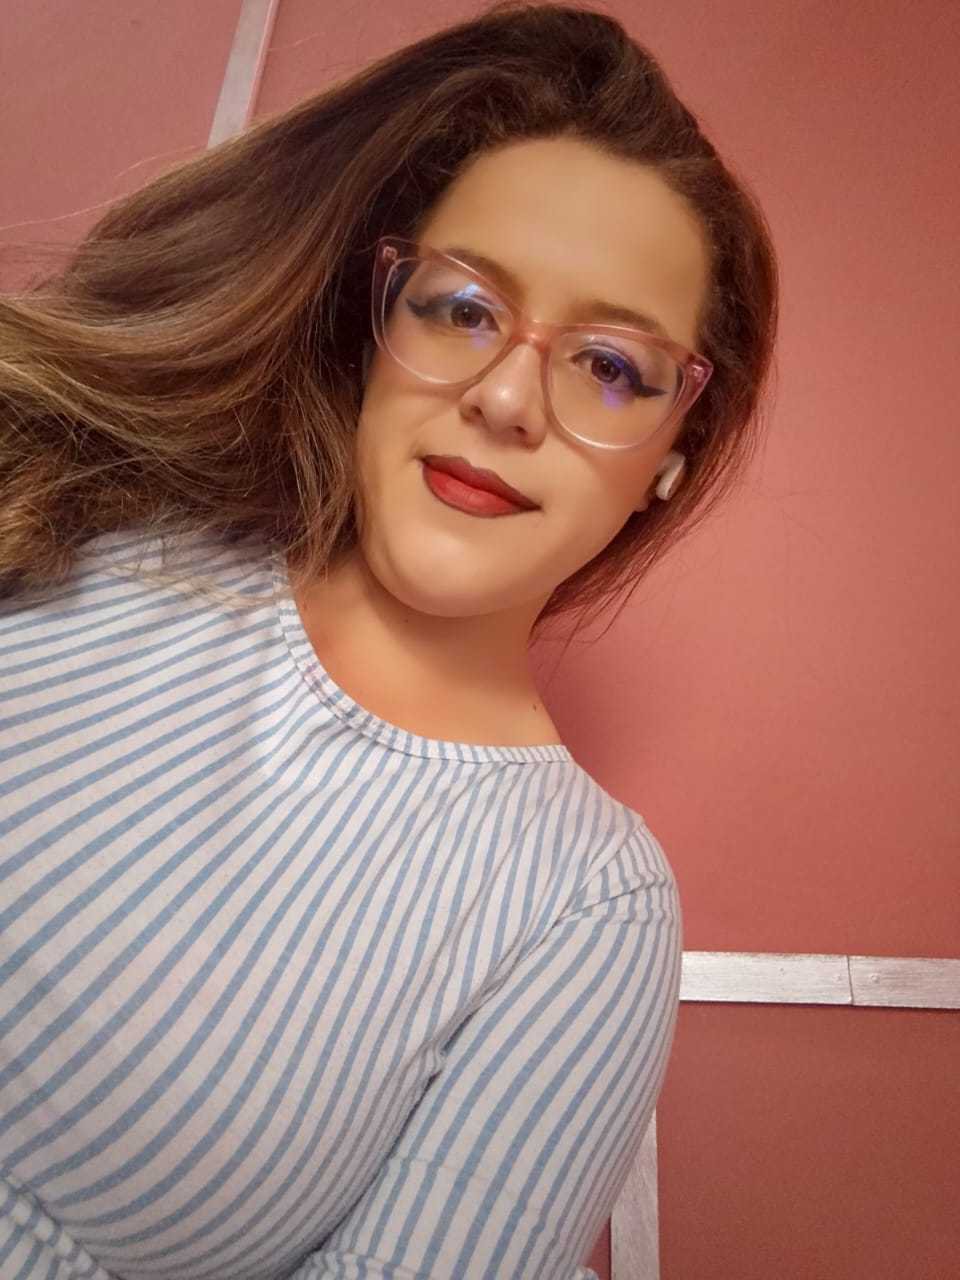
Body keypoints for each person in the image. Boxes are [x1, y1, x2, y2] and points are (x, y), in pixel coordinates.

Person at [0, 2, 778, 1277]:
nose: (506, 397)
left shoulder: (587, 908)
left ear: (670, 459)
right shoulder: (78, 500)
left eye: (609, 366)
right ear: (378, 322)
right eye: (464, 306)